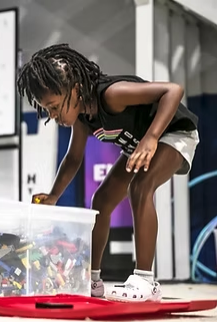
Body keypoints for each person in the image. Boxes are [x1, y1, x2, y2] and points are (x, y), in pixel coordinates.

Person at [17, 43, 199, 302]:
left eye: (55, 106)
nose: (52, 115)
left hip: (173, 133)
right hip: (139, 144)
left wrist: (151, 137)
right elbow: (73, 158)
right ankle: (90, 279)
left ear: (76, 90)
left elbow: (173, 91)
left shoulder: (112, 94)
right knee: (100, 201)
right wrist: (54, 195)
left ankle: (146, 280)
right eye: (47, 109)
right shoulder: (82, 117)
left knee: (140, 187)